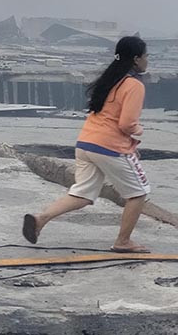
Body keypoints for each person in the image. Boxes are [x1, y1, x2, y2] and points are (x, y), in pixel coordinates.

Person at [23, 36, 152, 253]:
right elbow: (127, 124)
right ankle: (123, 241)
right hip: (109, 147)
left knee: (82, 193)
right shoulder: (133, 85)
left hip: (86, 144)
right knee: (138, 193)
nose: (148, 61)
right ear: (137, 59)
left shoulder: (110, 79)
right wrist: (139, 131)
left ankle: (40, 219)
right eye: (147, 56)